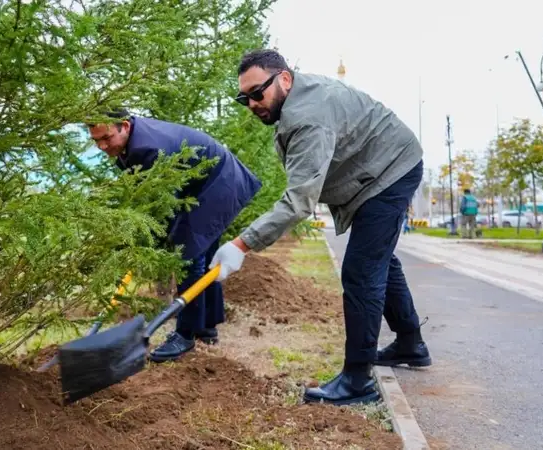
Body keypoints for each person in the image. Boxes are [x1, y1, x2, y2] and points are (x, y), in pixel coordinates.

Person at [209, 49, 431, 406]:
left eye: (256, 93)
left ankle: (357, 382)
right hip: (373, 172)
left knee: (361, 272)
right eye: (243, 98)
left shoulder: (307, 118)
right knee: (378, 261)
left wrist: (242, 244)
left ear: (283, 79)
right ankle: (410, 343)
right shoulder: (295, 101)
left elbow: (299, 201)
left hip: (390, 170)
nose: (251, 104)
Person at [86, 109, 262, 362]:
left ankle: (186, 335)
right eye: (96, 140)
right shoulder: (131, 142)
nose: (102, 146)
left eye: (106, 137)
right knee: (206, 255)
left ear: (124, 126)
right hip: (205, 183)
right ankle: (207, 327)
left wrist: (147, 238)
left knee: (186, 254)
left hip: (216, 185)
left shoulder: (147, 149)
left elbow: (162, 206)